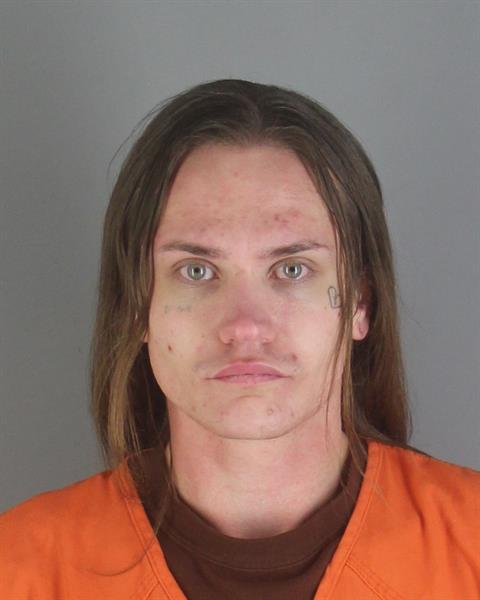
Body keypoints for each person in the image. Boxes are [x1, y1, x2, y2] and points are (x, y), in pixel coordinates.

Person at [1, 79, 479, 600]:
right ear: (138, 306)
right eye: (197, 270)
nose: (246, 326)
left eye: (292, 269)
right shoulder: (19, 567)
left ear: (359, 304)